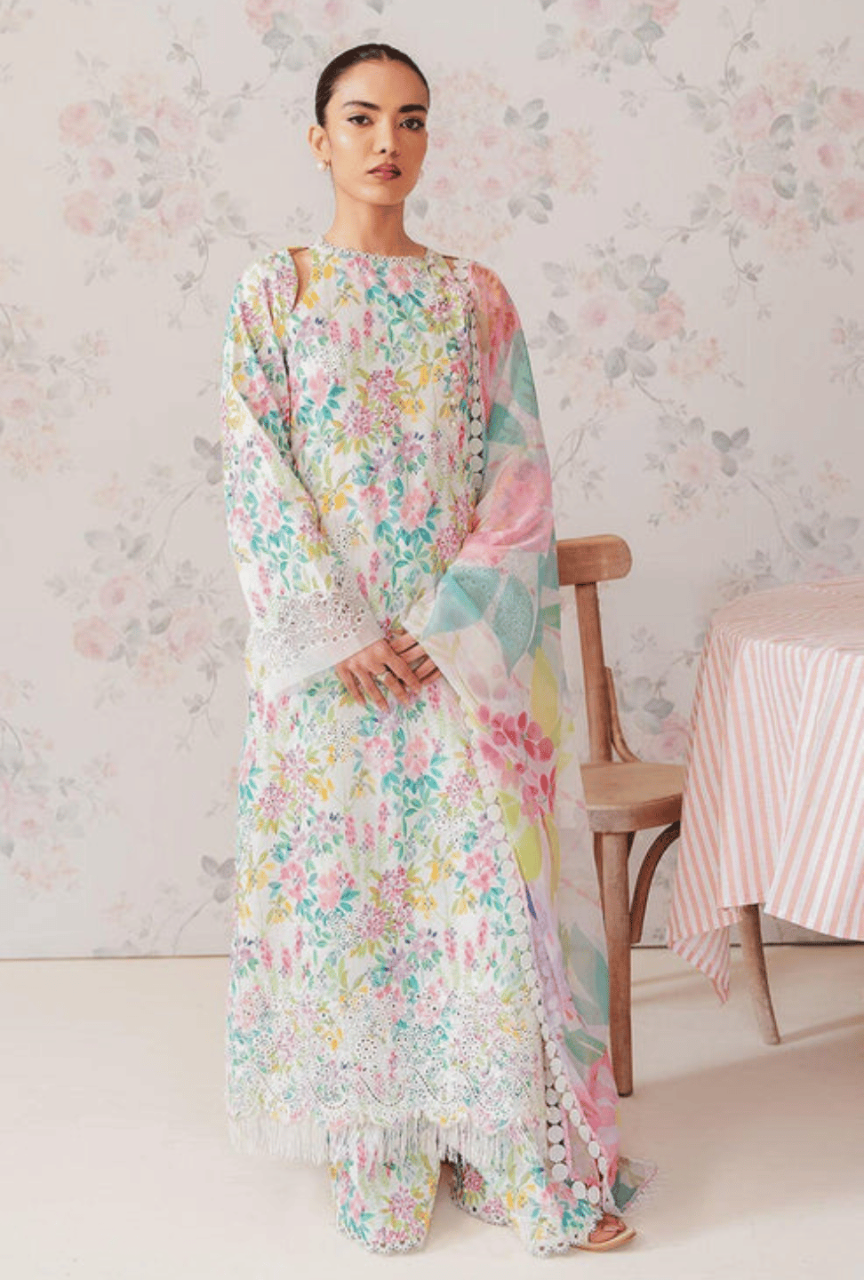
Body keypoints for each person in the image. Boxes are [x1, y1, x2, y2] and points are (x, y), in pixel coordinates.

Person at [220, 41, 650, 1256]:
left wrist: (441, 626)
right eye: (359, 119)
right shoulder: (280, 291)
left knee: (470, 906)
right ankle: (382, 1140)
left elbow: (519, 483)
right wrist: (338, 629)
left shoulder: (477, 298)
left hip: (452, 669)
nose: (386, 143)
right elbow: (257, 471)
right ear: (319, 139)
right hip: (335, 672)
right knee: (356, 904)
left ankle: (504, 1142)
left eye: (409, 120)